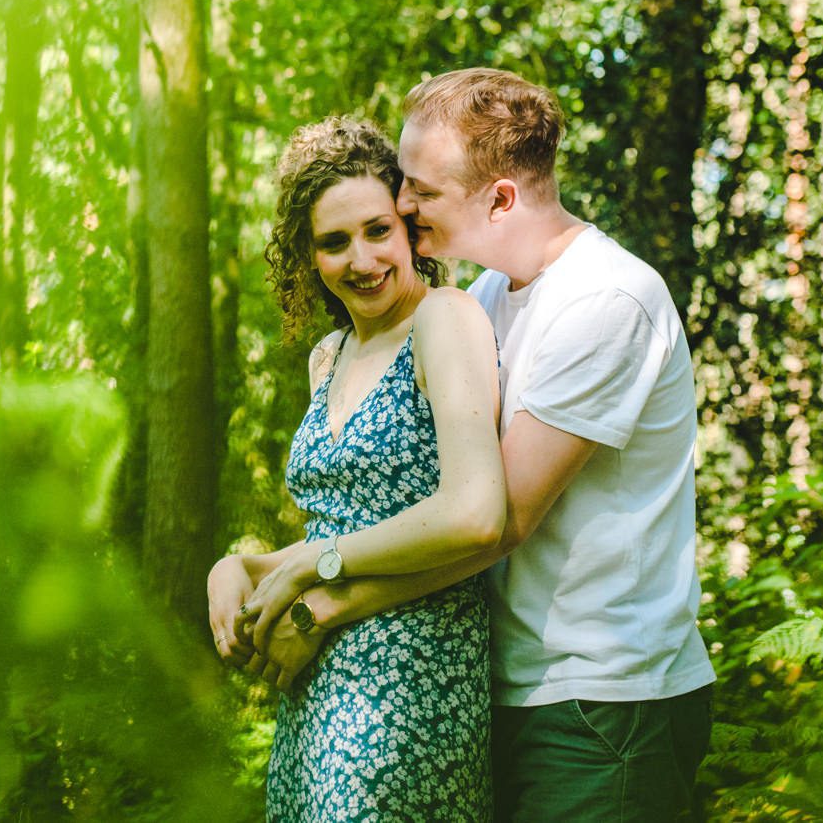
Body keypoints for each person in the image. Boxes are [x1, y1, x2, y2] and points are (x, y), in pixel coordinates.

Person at [270, 69, 715, 823]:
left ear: (500, 197)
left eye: (419, 190)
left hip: (602, 702)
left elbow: (494, 523)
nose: (403, 205)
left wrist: (318, 600)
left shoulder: (606, 300)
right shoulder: (483, 300)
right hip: (504, 687)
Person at [207, 116, 505, 823]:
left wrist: (317, 566)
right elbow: (342, 529)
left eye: (377, 229)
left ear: (408, 228)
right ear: (307, 257)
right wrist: (242, 569)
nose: (361, 258)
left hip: (409, 693)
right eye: (333, 241)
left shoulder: (446, 320)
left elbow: (475, 513)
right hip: (313, 687)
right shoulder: (328, 356)